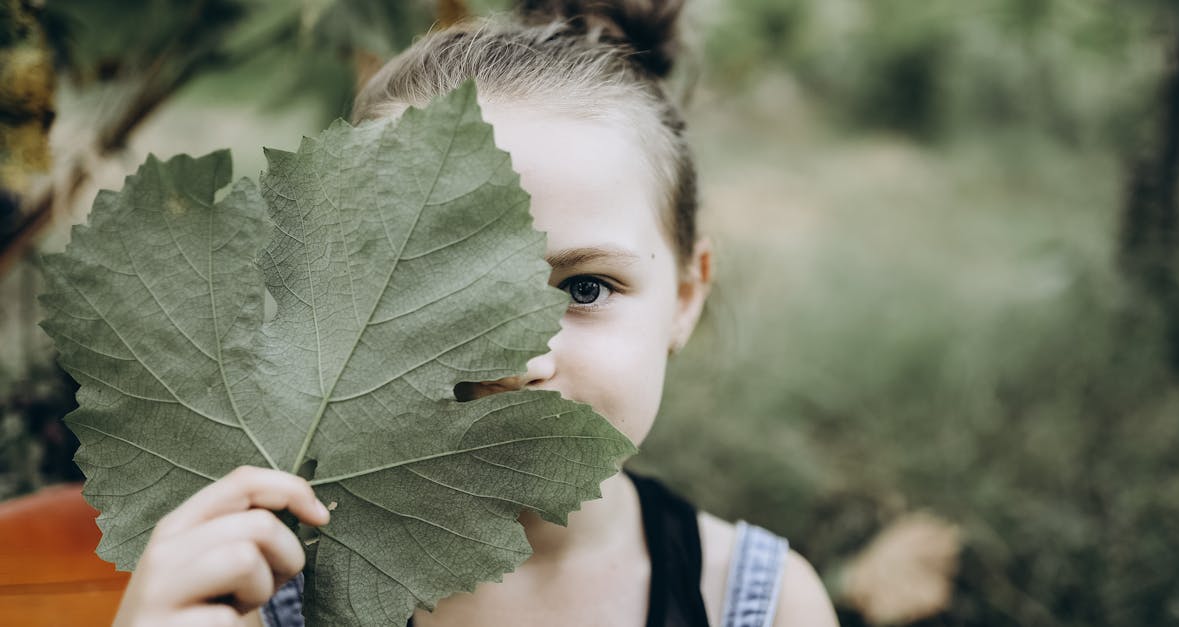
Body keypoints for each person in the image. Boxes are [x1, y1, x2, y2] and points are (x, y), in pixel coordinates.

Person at [111, 2, 840, 626]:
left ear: (685, 296)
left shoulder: (762, 604)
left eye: (583, 289)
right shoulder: (256, 593)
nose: (516, 361)